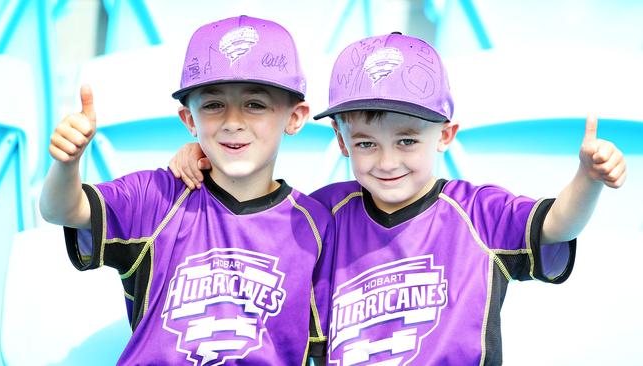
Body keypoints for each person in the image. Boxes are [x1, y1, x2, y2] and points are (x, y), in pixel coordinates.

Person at [169, 32, 626, 365]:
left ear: (444, 135)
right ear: (343, 143)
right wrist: (205, 157)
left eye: (407, 141)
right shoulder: (323, 214)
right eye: (366, 143)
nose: (387, 161)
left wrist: (586, 179)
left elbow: (556, 226)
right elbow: (253, 216)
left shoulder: (478, 213)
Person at [39, 15, 333, 365]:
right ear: (190, 120)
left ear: (295, 117)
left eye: (255, 104)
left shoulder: (317, 227)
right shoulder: (156, 196)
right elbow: (62, 209)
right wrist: (67, 163)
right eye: (213, 105)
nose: (233, 122)